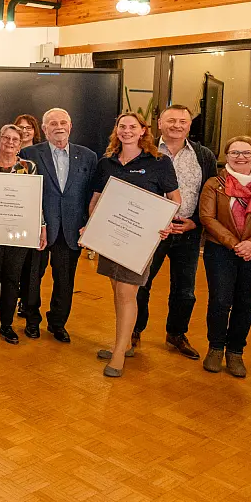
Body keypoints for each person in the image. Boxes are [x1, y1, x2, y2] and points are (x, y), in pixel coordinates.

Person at [88, 113, 180, 377]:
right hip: (111, 237)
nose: (127, 131)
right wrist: (93, 230)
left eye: (133, 127)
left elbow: (174, 199)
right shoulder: (107, 163)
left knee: (127, 293)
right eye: (122, 126)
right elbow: (96, 199)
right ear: (116, 131)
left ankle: (118, 354)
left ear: (143, 131)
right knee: (118, 289)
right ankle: (125, 342)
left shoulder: (159, 162)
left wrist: (166, 224)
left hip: (140, 240)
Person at [136, 105, 217, 360]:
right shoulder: (145, 152)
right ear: (159, 123)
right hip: (152, 231)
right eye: (171, 121)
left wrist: (196, 222)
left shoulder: (203, 155)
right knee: (142, 284)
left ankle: (176, 333)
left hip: (188, 231)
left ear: (189, 126)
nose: (177, 125)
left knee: (185, 290)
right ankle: (134, 330)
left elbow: (210, 194)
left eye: (183, 121)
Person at [198, 136, 251, 378]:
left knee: (246, 303)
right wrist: (235, 244)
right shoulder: (215, 183)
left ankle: (235, 352)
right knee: (220, 301)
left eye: (246, 152)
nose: (240, 157)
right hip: (220, 251)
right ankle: (215, 348)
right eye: (234, 152)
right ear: (227, 155)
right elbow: (207, 218)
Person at [20, 108, 96, 342]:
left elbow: (92, 195)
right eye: (53, 123)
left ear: (71, 126)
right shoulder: (29, 153)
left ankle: (58, 323)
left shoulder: (88, 156)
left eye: (63, 122)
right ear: (44, 129)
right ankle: (32, 321)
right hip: (39, 228)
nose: (59, 126)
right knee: (32, 279)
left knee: (65, 281)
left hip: (71, 229)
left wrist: (89, 225)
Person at [0, 125, 46, 344]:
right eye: (6, 138)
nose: (10, 142)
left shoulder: (29, 167)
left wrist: (41, 227)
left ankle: (6, 325)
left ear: (21, 142)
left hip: (18, 234)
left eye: (16, 139)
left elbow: (36, 201)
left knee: (12, 279)